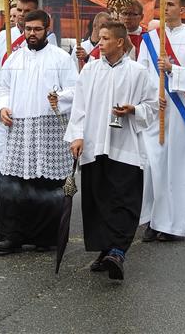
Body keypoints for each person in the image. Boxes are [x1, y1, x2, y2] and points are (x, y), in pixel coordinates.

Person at [64, 21, 158, 279]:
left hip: (125, 145)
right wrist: (77, 136)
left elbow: (152, 107)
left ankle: (118, 250)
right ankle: (105, 250)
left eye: (105, 39)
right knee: (98, 200)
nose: (100, 43)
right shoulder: (90, 70)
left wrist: (134, 110)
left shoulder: (138, 72)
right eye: (99, 38)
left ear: (119, 42)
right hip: (94, 144)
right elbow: (79, 108)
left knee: (123, 200)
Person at [0, 9, 77, 253]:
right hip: (19, 130)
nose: (32, 34)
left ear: (47, 29)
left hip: (48, 129)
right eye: (28, 29)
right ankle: (11, 236)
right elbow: (2, 89)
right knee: (14, 183)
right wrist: (3, 107)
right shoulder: (14, 59)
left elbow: (74, 89)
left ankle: (46, 237)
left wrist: (59, 98)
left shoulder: (61, 58)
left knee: (46, 185)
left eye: (37, 29)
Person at [0, 0, 54, 230]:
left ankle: (22, 211)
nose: (22, 15)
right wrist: (3, 94)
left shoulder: (48, 40)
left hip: (29, 110)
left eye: (28, 11)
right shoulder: (6, 36)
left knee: (25, 160)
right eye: (19, 10)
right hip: (4, 106)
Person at [137, 0, 185, 242]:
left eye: (171, 4)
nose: (165, 8)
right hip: (157, 108)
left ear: (183, 9)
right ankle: (154, 220)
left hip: (179, 109)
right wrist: (153, 96)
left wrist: (172, 69)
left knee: (175, 167)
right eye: (162, 3)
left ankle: (173, 225)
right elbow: (142, 73)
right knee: (153, 166)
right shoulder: (151, 39)